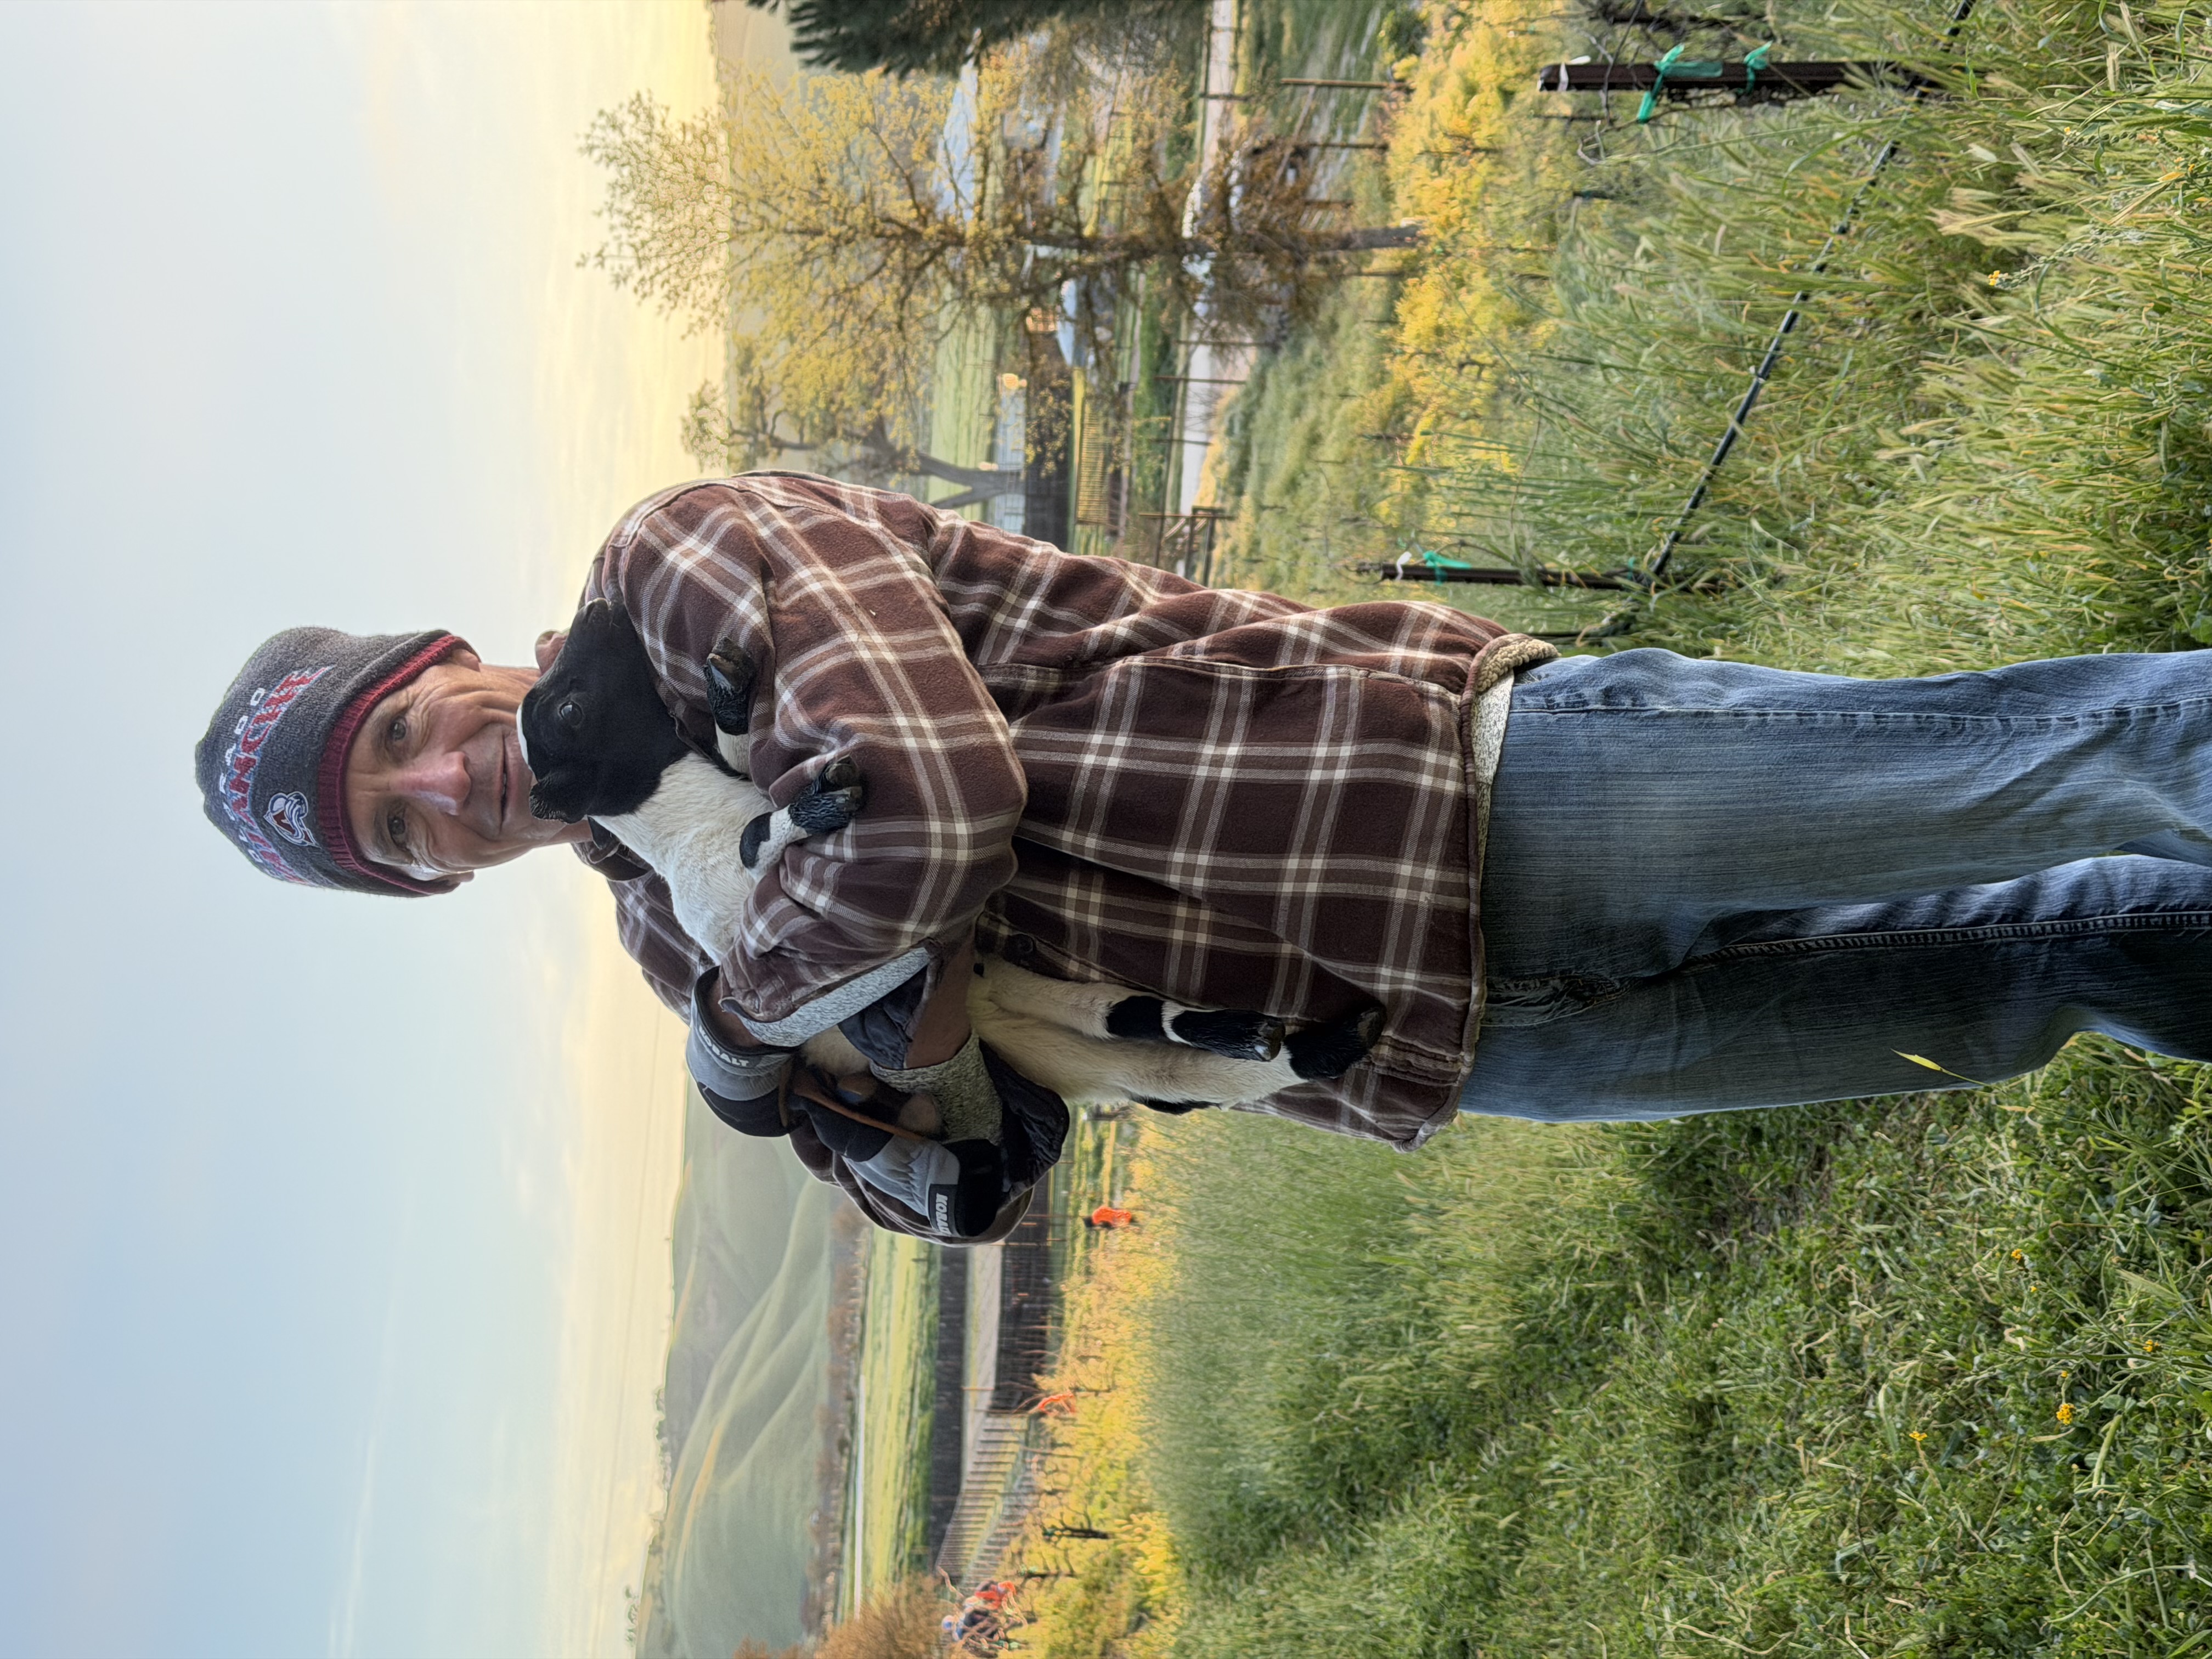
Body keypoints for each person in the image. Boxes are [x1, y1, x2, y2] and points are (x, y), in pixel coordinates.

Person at [196, 474, 2212, 1240]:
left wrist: (774, 1032)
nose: (443, 793)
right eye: (397, 836)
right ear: (431, 886)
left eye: (404, 741)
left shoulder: (674, 565)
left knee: (2088, 759)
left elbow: (928, 794)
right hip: (1433, 1044)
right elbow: (960, 1184)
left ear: (444, 656)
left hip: (1476, 795)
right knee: (2030, 979)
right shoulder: (666, 927)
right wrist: (867, 1057)